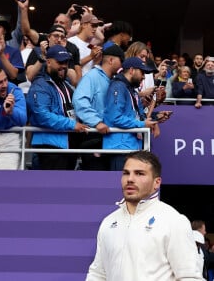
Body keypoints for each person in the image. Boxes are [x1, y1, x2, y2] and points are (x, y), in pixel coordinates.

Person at [86, 150, 204, 281]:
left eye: (139, 173)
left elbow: (190, 277)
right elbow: (98, 274)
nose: (130, 179)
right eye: (126, 173)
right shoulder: (108, 222)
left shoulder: (174, 221)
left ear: (156, 182)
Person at [103, 57, 171, 170]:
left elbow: (138, 116)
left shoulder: (131, 90)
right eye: (142, 72)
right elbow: (114, 118)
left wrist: (155, 117)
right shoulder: (118, 86)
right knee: (120, 186)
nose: (144, 77)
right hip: (120, 149)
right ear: (131, 70)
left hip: (131, 147)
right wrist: (143, 124)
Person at [26, 45, 88, 170]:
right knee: (49, 187)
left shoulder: (65, 84)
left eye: (66, 62)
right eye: (60, 62)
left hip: (68, 144)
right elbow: (41, 115)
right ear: (48, 62)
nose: (64, 66)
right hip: (49, 146)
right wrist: (71, 125)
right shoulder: (40, 85)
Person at [72, 44, 125, 170]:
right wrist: (97, 122)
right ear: (111, 60)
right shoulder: (92, 76)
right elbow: (79, 100)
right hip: (93, 135)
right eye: (120, 61)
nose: (122, 65)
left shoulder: (113, 80)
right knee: (95, 179)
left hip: (108, 138)